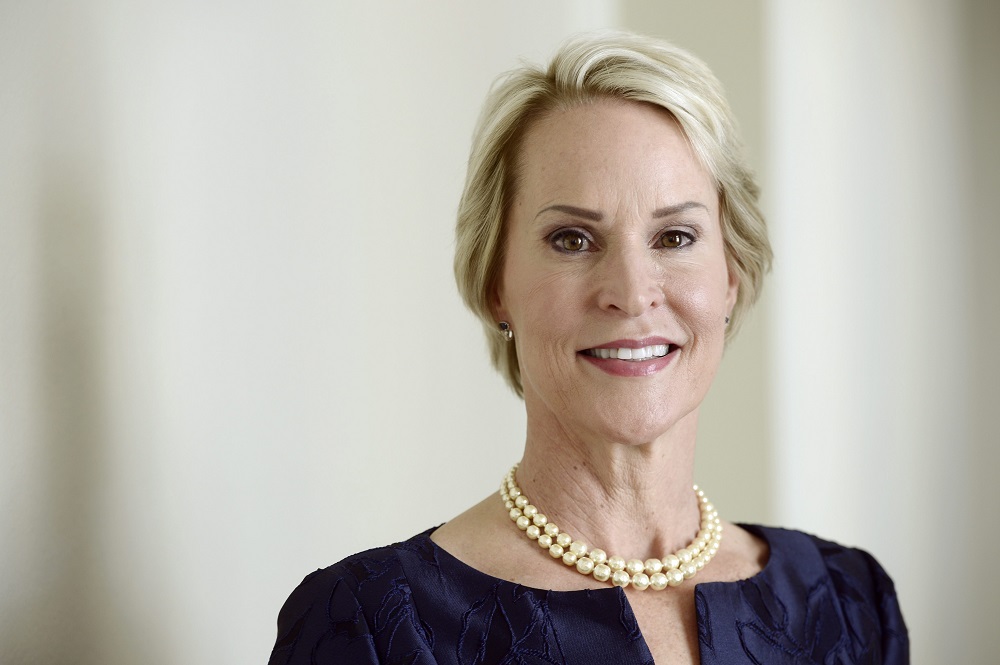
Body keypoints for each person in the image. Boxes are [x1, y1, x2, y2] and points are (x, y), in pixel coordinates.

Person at [267, 32, 908, 664]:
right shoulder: (373, 624)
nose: (630, 294)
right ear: (496, 285)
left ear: (732, 277)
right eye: (572, 239)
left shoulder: (850, 605)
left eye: (676, 237)